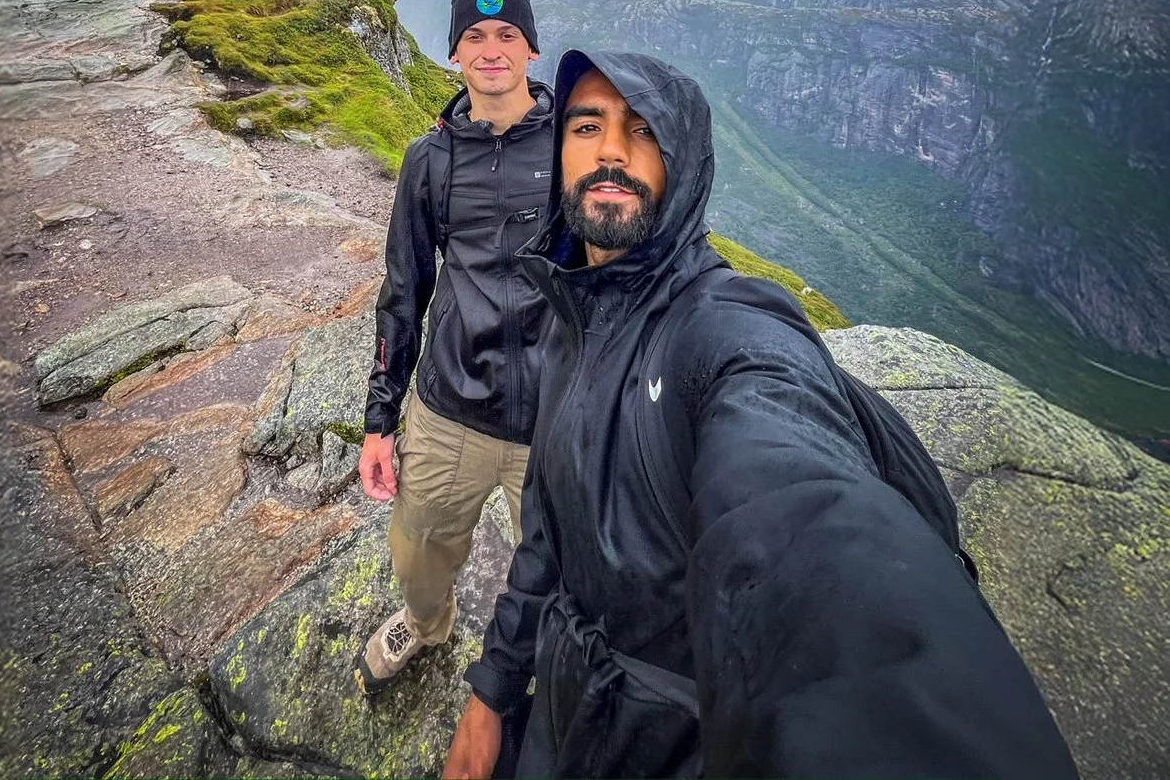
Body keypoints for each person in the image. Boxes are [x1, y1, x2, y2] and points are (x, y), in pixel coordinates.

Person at [443, 49, 1079, 779]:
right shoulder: (573, 314)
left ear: (685, 164)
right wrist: (492, 692)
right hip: (565, 718)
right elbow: (550, 527)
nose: (612, 150)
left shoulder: (725, 332)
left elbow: (803, 520)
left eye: (645, 131)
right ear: (559, 152)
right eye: (588, 125)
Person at [355, 0, 558, 696]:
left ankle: (551, 668)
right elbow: (403, 292)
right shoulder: (429, 161)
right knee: (418, 555)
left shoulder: (574, 151)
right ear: (454, 55)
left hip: (557, 417)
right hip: (450, 411)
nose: (492, 48)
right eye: (475, 35)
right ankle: (427, 620)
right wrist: (380, 421)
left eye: (507, 35)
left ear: (532, 48)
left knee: (568, 567)